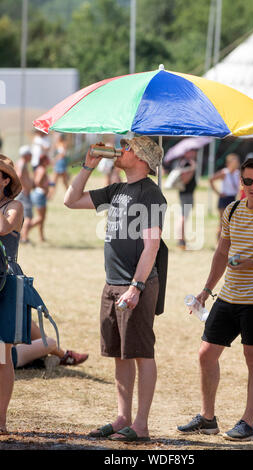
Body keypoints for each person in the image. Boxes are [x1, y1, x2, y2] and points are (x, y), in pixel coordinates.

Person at [64, 136, 166, 442]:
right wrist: (87, 167)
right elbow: (70, 200)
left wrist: (136, 287)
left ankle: (141, 424)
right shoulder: (118, 189)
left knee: (141, 353)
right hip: (113, 282)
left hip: (136, 285)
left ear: (142, 158)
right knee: (121, 354)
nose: (119, 151)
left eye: (127, 148)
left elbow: (152, 246)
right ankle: (122, 417)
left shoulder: (151, 193)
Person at [178, 156, 253, 441]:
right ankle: (207, 418)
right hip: (227, 296)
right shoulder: (232, 210)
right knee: (206, 354)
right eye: (248, 181)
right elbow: (222, 253)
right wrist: (206, 289)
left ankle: (248, 424)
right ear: (241, 181)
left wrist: (250, 263)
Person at [0, 154, 23, 434]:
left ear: (6, 180)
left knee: (2, 354)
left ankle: (1, 420)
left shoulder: (14, 206)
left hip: (4, 283)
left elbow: (4, 228)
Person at [11, 320, 89, 370]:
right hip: (6, 356)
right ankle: (63, 356)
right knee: (50, 343)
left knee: (24, 321)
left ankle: (47, 357)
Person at [209, 153, 240, 239]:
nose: (237, 164)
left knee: (232, 223)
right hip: (224, 198)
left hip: (232, 198)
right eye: (235, 162)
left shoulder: (237, 173)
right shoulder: (224, 173)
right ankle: (218, 242)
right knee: (222, 222)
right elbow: (211, 179)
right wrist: (218, 193)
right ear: (229, 163)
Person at [176, 149, 197, 250]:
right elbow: (185, 180)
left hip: (188, 194)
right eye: (192, 151)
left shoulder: (186, 163)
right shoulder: (186, 164)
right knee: (183, 217)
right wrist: (192, 169)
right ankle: (181, 240)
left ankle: (182, 239)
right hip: (186, 195)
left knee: (184, 216)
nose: (194, 153)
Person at [29, 154, 50, 242]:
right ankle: (25, 230)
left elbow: (34, 181)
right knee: (41, 218)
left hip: (36, 193)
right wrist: (44, 189)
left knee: (41, 217)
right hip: (40, 194)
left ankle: (41, 237)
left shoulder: (37, 168)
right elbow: (37, 181)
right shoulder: (42, 169)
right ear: (44, 160)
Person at [15, 145, 34, 243]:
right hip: (24, 194)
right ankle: (24, 238)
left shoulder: (21, 162)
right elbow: (19, 175)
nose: (31, 156)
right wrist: (25, 187)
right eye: (30, 154)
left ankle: (22, 237)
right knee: (28, 217)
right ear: (26, 155)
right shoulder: (22, 163)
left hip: (22, 193)